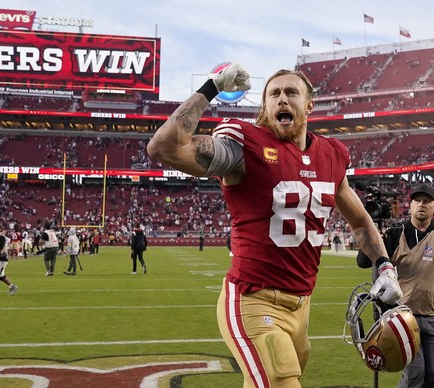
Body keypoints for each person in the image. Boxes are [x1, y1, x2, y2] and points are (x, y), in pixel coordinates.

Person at [146, 63, 402, 386]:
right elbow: (163, 147)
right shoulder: (244, 147)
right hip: (253, 301)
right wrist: (211, 87)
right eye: (274, 94)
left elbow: (361, 221)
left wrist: (385, 266)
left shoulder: (332, 155)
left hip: (302, 307)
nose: (282, 99)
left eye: (291, 92)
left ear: (309, 104)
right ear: (265, 107)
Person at [358, 183, 434, 387]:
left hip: (431, 314)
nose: (421, 205)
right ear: (410, 205)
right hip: (402, 316)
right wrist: (373, 237)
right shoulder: (395, 234)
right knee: (415, 374)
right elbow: (363, 262)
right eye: (417, 200)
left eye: (427, 201)